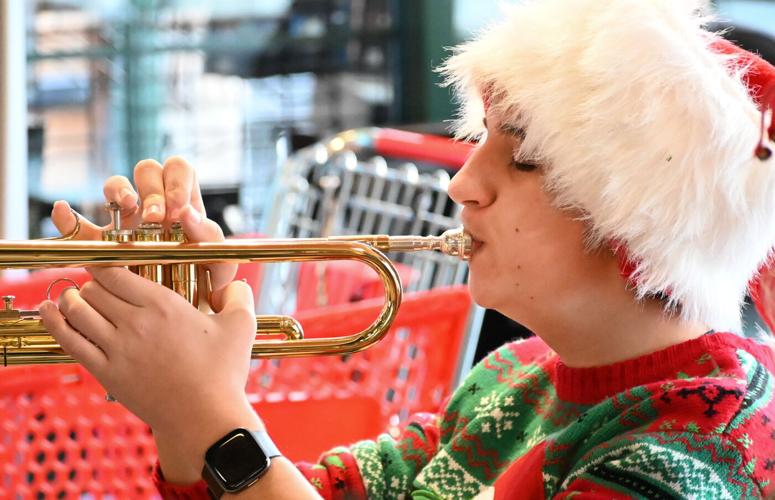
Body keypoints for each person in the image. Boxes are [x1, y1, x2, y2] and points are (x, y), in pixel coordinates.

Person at [38, 0, 775, 498]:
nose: (462, 184)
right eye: (478, 140)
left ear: (640, 217)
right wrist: (182, 407)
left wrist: (207, 414)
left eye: (520, 159)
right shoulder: (513, 377)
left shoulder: (696, 452)